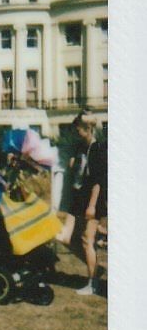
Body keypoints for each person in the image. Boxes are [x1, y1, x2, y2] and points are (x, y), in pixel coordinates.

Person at [74, 113, 107, 295]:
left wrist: (92, 206)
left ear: (88, 129)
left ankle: (92, 283)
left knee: (88, 240)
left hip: (94, 201)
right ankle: (93, 279)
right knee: (88, 240)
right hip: (88, 200)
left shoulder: (97, 149)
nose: (76, 131)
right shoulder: (86, 148)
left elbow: (97, 181)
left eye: (79, 128)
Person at [56, 110, 92, 246]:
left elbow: (72, 163)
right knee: (74, 211)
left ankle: (69, 235)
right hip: (78, 184)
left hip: (80, 185)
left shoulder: (83, 143)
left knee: (76, 211)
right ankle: (69, 234)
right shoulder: (81, 143)